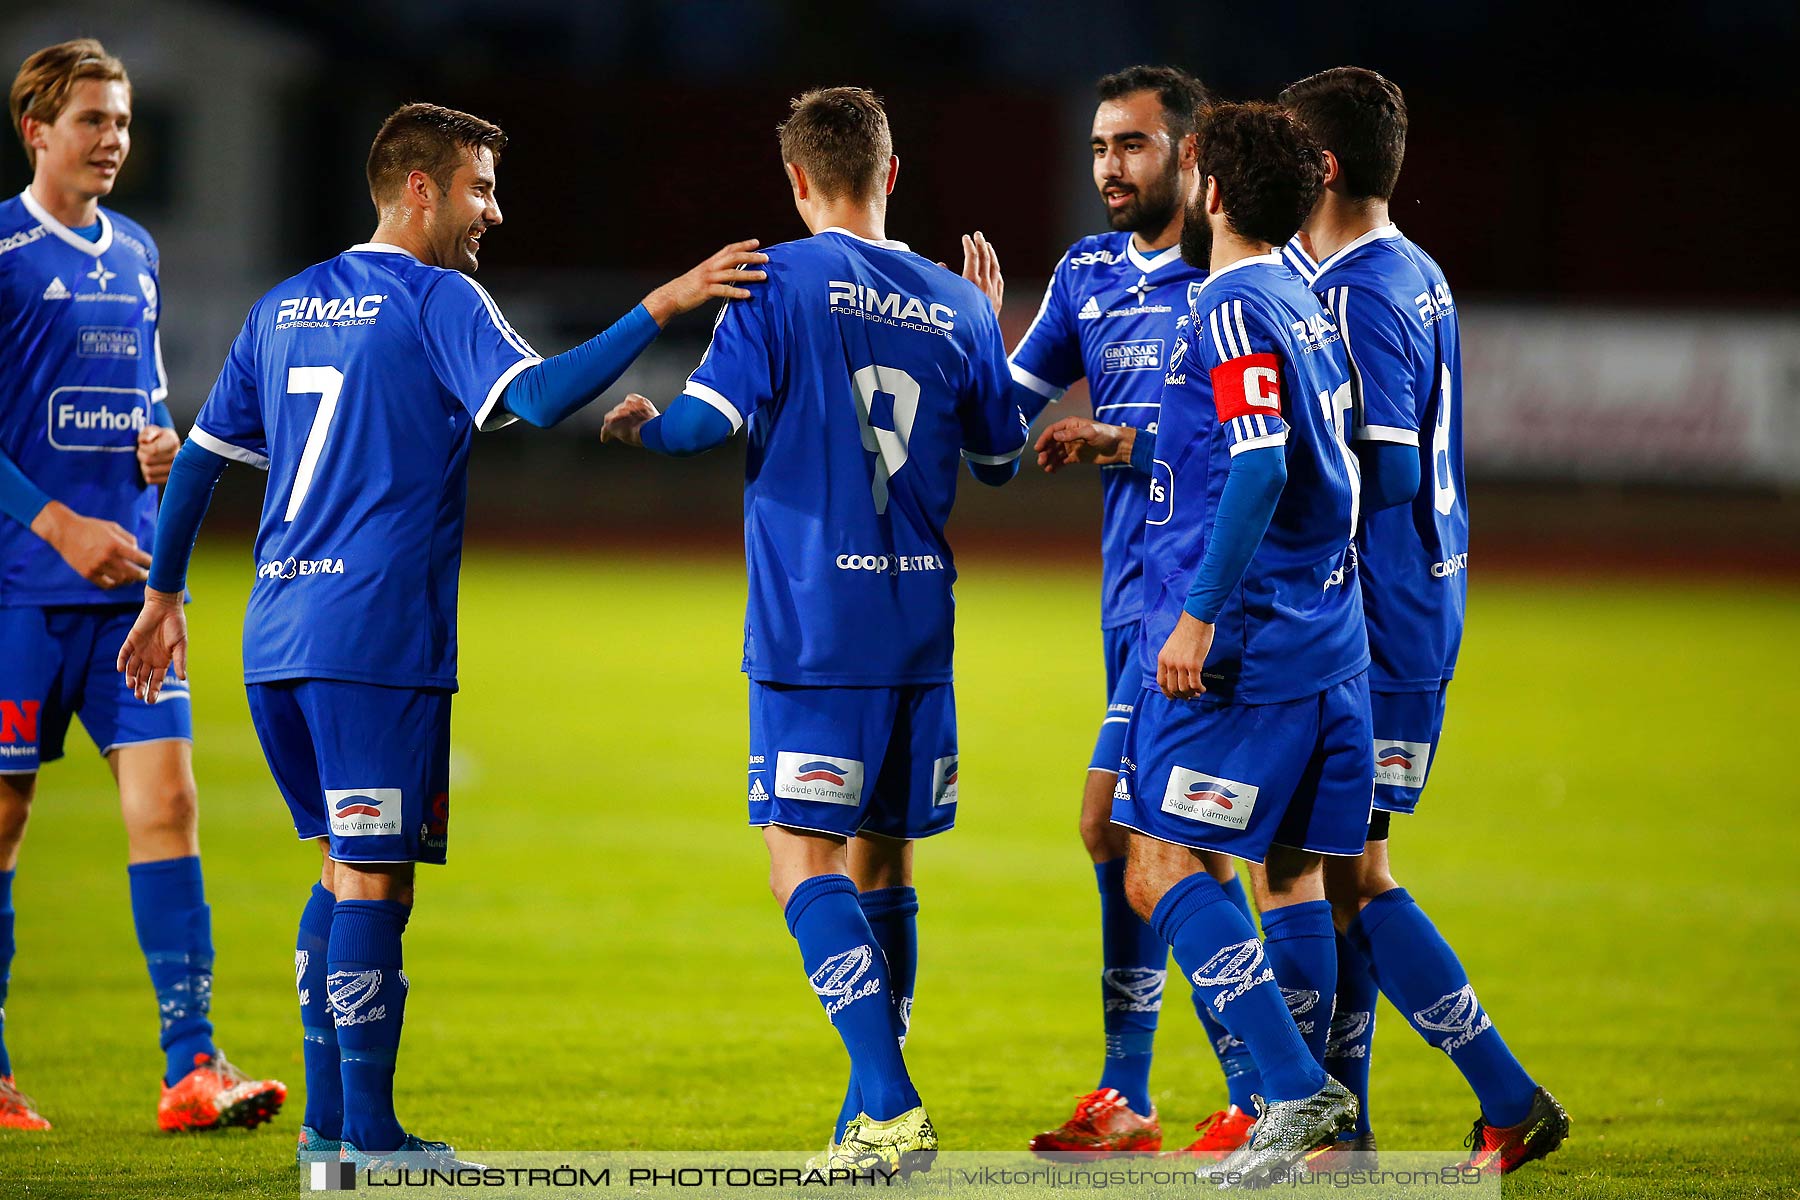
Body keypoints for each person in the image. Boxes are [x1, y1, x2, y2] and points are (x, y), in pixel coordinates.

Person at [116, 102, 765, 1167]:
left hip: (275, 637)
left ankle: (330, 1135)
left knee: (344, 870)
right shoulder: (433, 297)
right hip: (375, 640)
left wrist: (165, 593)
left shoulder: (283, 306)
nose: (493, 213)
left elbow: (199, 459)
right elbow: (544, 398)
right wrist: (667, 300)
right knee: (374, 880)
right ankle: (367, 1142)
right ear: (418, 188)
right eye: (478, 188)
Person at [600, 86, 1023, 1177]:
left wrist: (646, 428)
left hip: (814, 627)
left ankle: (888, 1101)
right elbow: (1001, 460)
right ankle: (862, 1123)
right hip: (919, 628)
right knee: (882, 862)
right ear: (891, 174)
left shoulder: (776, 279)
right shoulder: (959, 302)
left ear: (796, 182)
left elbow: (704, 426)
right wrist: (985, 319)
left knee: (800, 858)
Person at [1038, 101, 1365, 1188]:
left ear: (1211, 192)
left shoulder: (1228, 304)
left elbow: (1263, 462)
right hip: (1325, 639)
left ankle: (1289, 1094)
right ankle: (1311, 1125)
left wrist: (1200, 612)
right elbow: (1333, 463)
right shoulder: (1305, 299)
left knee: (1161, 858)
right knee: (1289, 869)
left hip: (1242, 646)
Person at [1278, 65, 1567, 1172]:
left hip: (1381, 619)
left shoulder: (1355, 292)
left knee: (1335, 872)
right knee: (1343, 866)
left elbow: (1387, 469)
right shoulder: (1414, 270)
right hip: (1417, 602)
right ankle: (1347, 1125)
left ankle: (1498, 1094)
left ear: (1328, 167)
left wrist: (1270, 488)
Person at [0, 38, 284, 1133]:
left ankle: (192, 1068)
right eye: (92, 121)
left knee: (169, 807)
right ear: (38, 130)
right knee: (7, 819)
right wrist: (54, 519)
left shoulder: (138, 252)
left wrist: (154, 452)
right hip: (21, 590)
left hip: (127, 591)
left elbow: (141, 404)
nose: (113, 139)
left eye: (122, 121)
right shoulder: (6, 248)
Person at [1014, 66, 1267, 1161]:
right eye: (1099, 148)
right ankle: (1198, 1096)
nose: (1110, 167)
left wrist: (1119, 443)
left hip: (1201, 609)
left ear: (1192, 154)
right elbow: (1002, 414)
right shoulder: (1086, 275)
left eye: (1132, 146)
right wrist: (974, 341)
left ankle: (1252, 1091)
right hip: (1128, 606)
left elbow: (1259, 461)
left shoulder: (1239, 281)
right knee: (1150, 839)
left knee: (1147, 836)